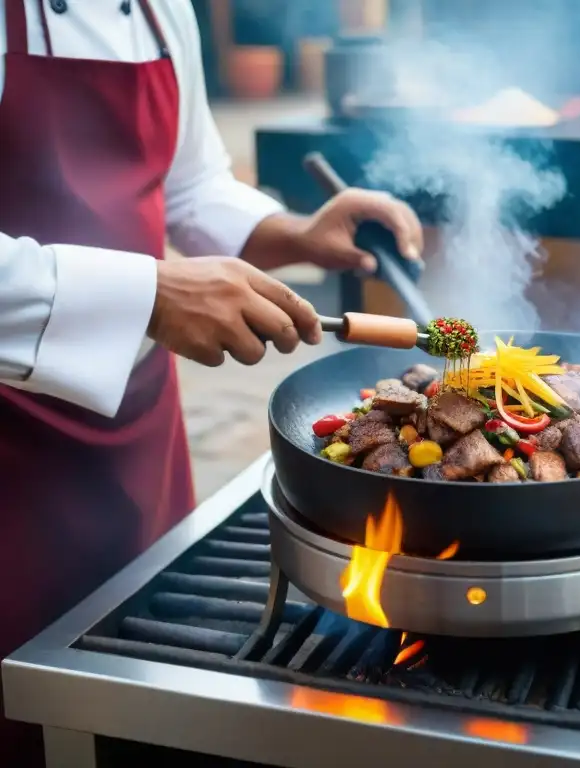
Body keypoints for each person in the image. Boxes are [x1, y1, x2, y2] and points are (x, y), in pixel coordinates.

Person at [0, 0, 424, 760]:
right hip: (10, 458)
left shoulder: (161, 7)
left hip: (138, 429)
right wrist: (150, 293)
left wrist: (293, 233)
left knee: (137, 697)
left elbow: (189, 184)